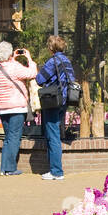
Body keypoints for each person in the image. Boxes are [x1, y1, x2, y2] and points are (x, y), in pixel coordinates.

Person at [0, 40, 36, 176]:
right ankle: (10, 169)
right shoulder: (14, 67)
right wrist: (29, 58)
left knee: (8, 138)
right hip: (16, 107)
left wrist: (11, 58)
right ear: (9, 55)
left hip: (3, 108)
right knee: (15, 138)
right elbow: (31, 73)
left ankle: (4, 168)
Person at [34, 34, 73, 180]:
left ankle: (56, 171)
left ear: (51, 48)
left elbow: (39, 79)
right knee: (55, 132)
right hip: (64, 100)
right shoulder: (67, 61)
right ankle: (55, 169)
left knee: (53, 136)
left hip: (52, 100)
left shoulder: (52, 61)